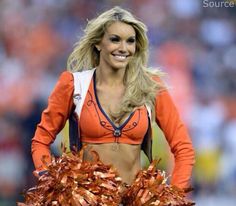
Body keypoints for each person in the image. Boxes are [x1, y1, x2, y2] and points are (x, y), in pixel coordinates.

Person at [31, 6, 195, 189]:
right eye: (115, 39)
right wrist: (53, 182)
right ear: (98, 43)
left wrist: (175, 195)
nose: (123, 48)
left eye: (130, 41)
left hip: (135, 201)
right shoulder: (73, 84)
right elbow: (40, 141)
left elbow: (183, 148)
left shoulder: (150, 87)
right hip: (86, 200)